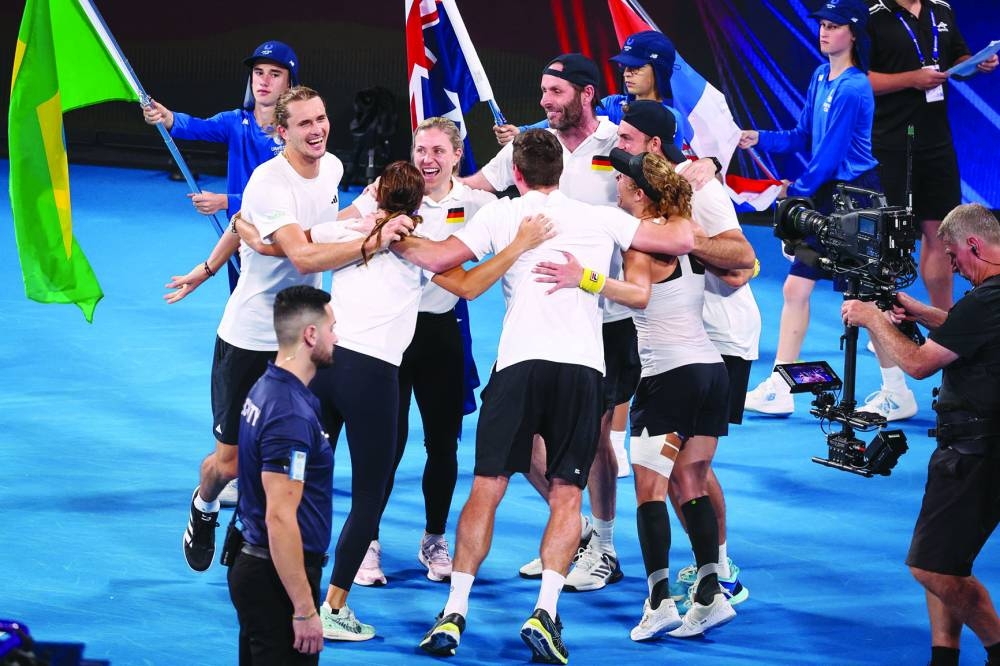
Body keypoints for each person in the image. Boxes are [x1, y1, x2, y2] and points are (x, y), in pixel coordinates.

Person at [401, 129, 695, 662]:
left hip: (518, 366)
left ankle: (455, 611)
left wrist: (387, 234)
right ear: (561, 170)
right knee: (566, 495)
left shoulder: (502, 214)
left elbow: (443, 259)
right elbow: (680, 240)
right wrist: (692, 183)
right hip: (581, 372)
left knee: (487, 487)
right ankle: (545, 610)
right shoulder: (600, 217)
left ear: (516, 174)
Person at [237, 160, 553, 641]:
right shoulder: (420, 248)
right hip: (373, 378)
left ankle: (281, 583)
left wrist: (240, 222)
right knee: (368, 496)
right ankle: (334, 607)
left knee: (301, 484)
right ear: (419, 202)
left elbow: (271, 244)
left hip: (325, 369)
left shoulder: (344, 230)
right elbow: (469, 286)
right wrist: (518, 245)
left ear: (376, 193)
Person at [181, 86, 412, 575]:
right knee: (230, 463)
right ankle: (204, 506)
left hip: (300, 339)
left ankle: (256, 540)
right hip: (249, 337)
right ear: (281, 131)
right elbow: (303, 255)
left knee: (288, 454)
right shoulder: (269, 181)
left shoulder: (332, 168)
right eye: (304, 123)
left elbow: (318, 226)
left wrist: (363, 212)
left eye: (321, 118)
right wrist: (373, 242)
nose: (317, 130)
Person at [534, 147, 737, 639]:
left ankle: (659, 601)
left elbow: (638, 295)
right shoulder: (687, 232)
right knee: (691, 484)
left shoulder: (640, 244)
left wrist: (583, 279)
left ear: (641, 194)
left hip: (669, 378)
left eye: (623, 180)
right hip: (711, 374)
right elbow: (740, 267)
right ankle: (710, 594)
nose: (617, 185)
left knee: (651, 492)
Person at [336, 117, 498, 586]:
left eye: (438, 151)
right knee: (385, 444)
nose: (427, 159)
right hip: (391, 336)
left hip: (440, 334)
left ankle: (434, 538)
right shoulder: (387, 192)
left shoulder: (478, 203)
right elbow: (337, 226)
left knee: (442, 444)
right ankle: (367, 541)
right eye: (421, 150)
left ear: (457, 155)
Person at [614, 100, 758, 612]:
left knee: (682, 474)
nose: (618, 148)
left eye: (627, 140)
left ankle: (718, 569)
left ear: (654, 146)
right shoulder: (654, 201)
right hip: (688, 342)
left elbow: (742, 263)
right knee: (682, 473)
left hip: (718, 339)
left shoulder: (702, 191)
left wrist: (680, 239)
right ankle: (709, 578)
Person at [841, 203, 1000, 666]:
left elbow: (917, 364)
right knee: (946, 559)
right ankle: (943, 657)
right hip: (977, 446)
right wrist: (919, 312)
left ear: (974, 245)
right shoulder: (989, 300)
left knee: (931, 568)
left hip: (974, 452)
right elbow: (967, 330)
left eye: (952, 255)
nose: (951, 265)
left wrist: (871, 318)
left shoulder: (985, 299)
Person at [738, 0, 911, 419]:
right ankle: (781, 387)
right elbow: (803, 135)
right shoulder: (820, 76)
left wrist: (792, 193)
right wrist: (759, 137)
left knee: (865, 299)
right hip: (828, 193)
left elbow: (829, 157)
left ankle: (897, 392)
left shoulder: (853, 87)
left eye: (834, 26)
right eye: (822, 25)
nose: (824, 32)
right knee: (795, 288)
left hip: (857, 197)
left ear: (853, 34)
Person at [149, 40, 300, 506]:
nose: (264, 80)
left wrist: (227, 201)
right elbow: (190, 126)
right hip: (242, 255)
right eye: (259, 72)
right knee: (249, 356)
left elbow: (289, 199)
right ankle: (240, 456)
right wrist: (165, 117)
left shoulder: (295, 138)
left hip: (284, 255)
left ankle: (276, 454)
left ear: (289, 83)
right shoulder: (236, 123)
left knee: (281, 359)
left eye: (275, 73)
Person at [863, 0, 997, 420]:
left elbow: (956, 56)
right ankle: (889, 338)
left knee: (942, 235)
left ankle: (951, 332)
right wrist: (912, 79)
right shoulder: (871, 16)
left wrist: (973, 65)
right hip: (889, 142)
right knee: (887, 244)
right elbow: (859, 80)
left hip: (936, 141)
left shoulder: (941, 9)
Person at [226, 285, 336, 665]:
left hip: (260, 567)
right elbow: (279, 517)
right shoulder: (290, 414)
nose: (337, 338)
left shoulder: (268, 387)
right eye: (332, 328)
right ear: (311, 335)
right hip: (276, 580)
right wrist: (304, 609)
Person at [493, 32, 720, 190]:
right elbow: (560, 120)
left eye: (636, 67)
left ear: (659, 71)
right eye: (625, 67)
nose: (627, 73)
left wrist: (711, 162)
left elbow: (672, 171)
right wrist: (521, 131)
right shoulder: (612, 105)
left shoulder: (671, 119)